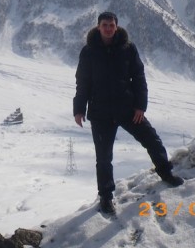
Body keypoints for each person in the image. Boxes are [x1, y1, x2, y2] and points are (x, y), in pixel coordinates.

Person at [73, 11, 183, 214]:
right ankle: (106, 197)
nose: (108, 28)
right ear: (98, 27)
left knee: (152, 139)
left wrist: (141, 106)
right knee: (104, 158)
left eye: (111, 25)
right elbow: (83, 83)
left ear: (117, 26)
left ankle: (166, 173)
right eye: (104, 25)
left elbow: (139, 77)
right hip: (100, 113)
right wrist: (79, 109)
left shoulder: (127, 48)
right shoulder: (88, 51)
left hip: (128, 108)